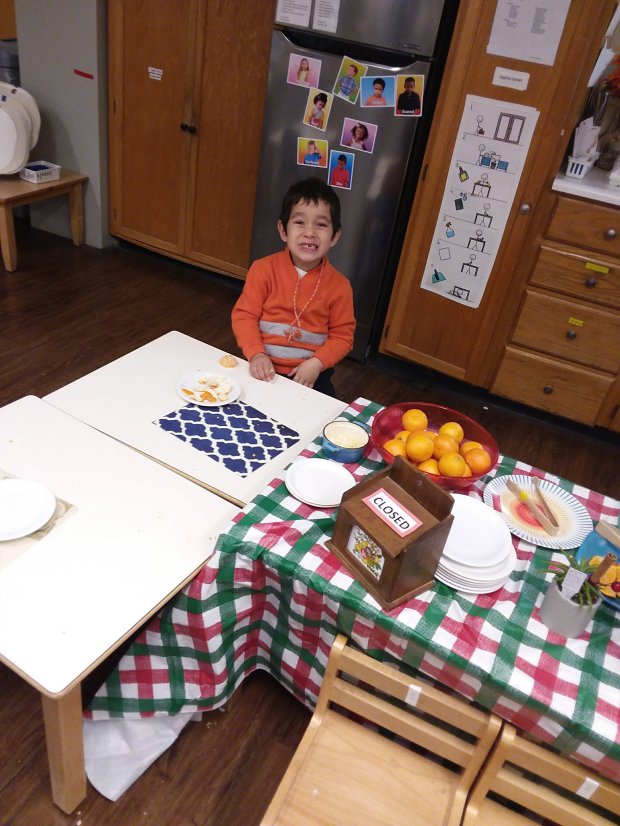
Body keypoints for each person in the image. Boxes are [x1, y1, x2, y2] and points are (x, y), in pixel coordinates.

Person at [232, 178, 355, 396]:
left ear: (334, 236)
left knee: (326, 415)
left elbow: (343, 337)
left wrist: (317, 363)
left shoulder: (340, 286)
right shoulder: (263, 269)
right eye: (299, 222)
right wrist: (256, 354)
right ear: (283, 230)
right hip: (262, 365)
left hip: (312, 374)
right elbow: (245, 316)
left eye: (321, 224)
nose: (310, 232)